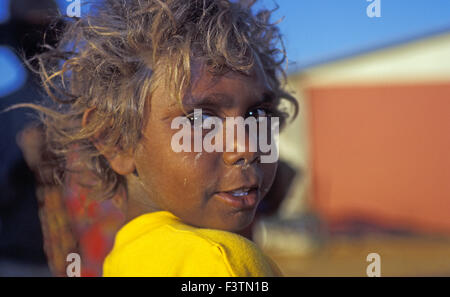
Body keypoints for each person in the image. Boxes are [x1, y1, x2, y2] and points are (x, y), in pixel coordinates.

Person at [11, 0, 298, 276]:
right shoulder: (217, 262)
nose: (247, 147)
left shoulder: (127, 258)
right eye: (201, 120)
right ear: (116, 140)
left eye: (258, 114)